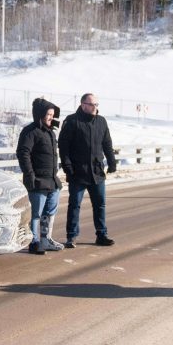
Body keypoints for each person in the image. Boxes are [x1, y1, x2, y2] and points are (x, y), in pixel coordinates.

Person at [58, 92, 117, 248]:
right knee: (74, 204)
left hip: (97, 172)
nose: (95, 107)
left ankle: (102, 235)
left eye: (97, 104)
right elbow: (63, 147)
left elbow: (107, 144)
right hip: (78, 172)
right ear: (83, 104)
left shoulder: (101, 121)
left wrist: (112, 162)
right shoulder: (71, 121)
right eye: (92, 104)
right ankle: (71, 236)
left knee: (100, 204)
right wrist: (67, 167)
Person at [16, 98, 64, 255]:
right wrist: (30, 175)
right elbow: (23, 153)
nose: (51, 117)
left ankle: (46, 239)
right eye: (48, 114)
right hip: (37, 180)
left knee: (50, 212)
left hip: (52, 180)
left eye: (52, 114)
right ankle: (34, 242)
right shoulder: (30, 131)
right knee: (35, 213)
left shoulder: (50, 132)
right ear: (39, 115)